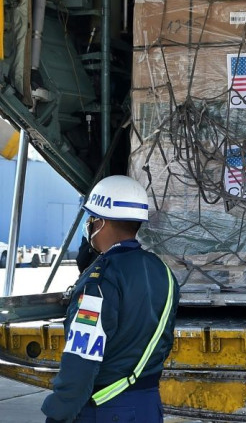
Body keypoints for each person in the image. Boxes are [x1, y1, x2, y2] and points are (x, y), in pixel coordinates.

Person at [42, 175, 180, 423]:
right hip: (148, 405)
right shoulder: (163, 272)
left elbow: (82, 355)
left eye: (91, 218)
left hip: (106, 409)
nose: (89, 225)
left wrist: (59, 412)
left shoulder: (101, 281)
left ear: (101, 223)